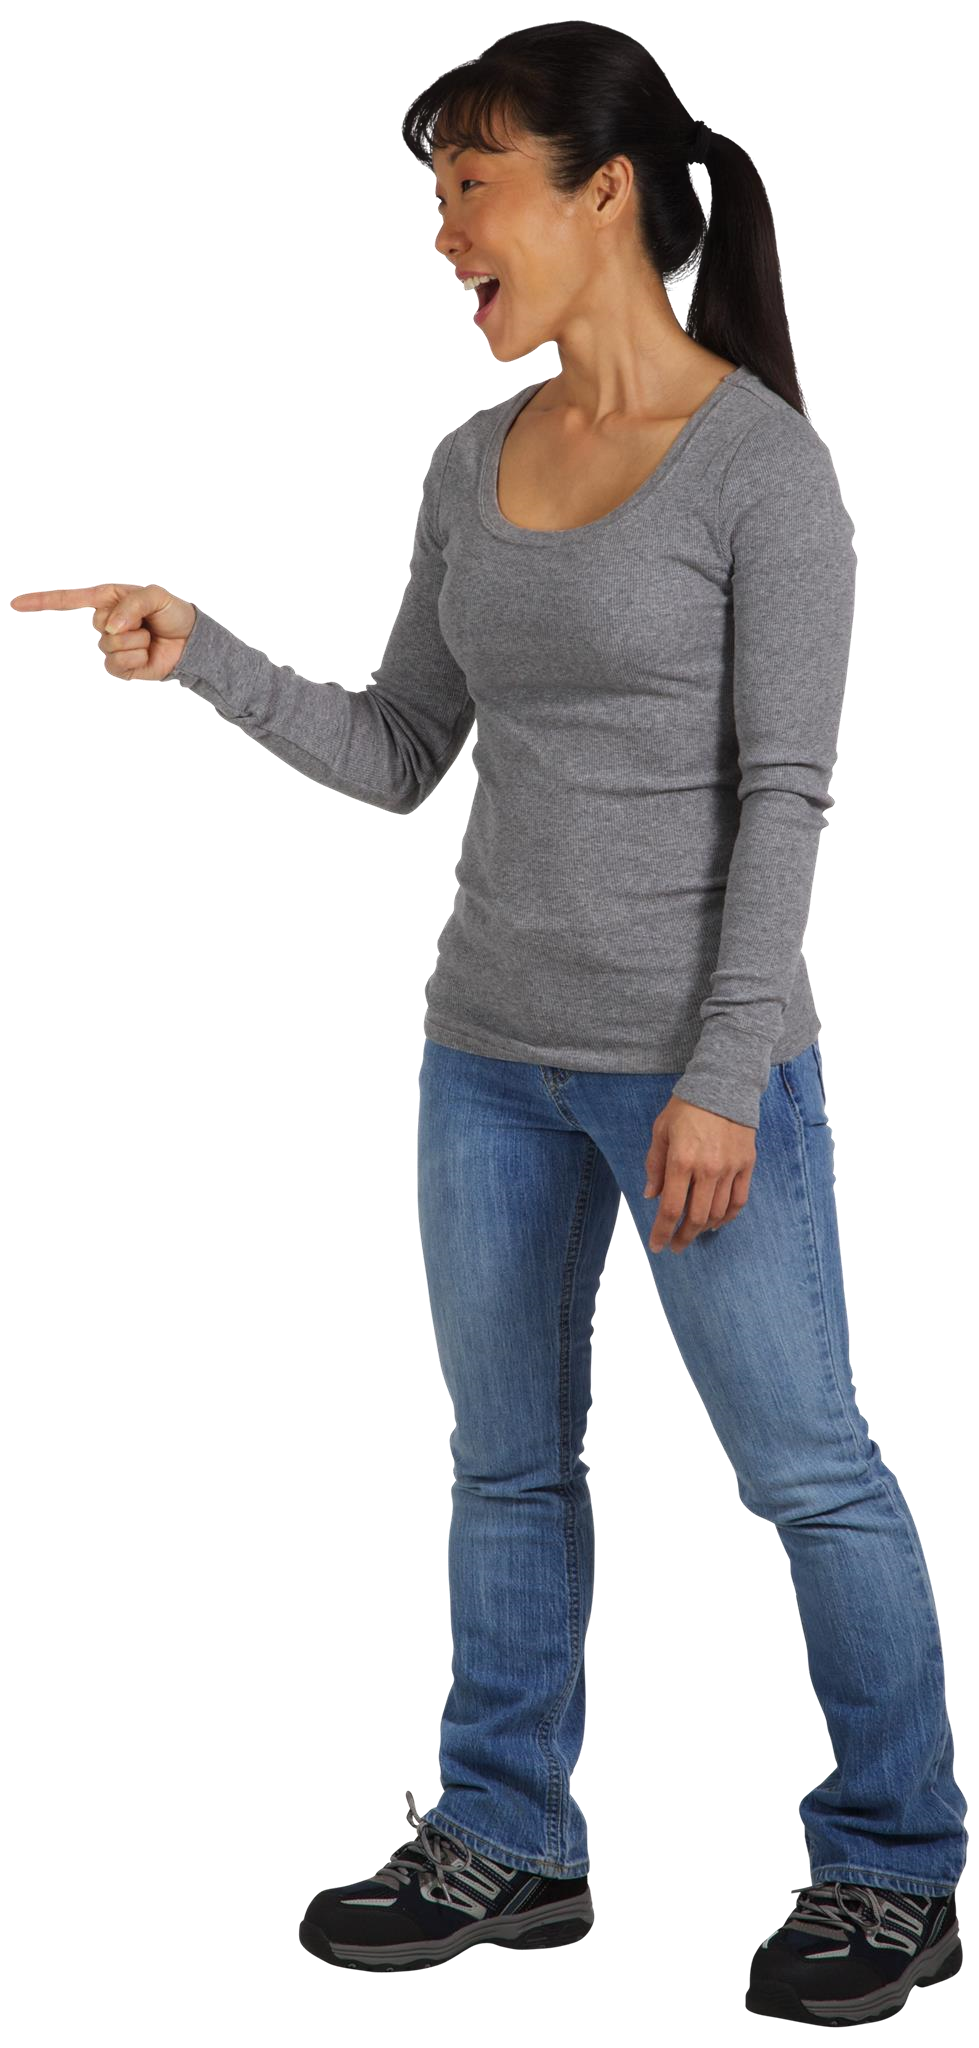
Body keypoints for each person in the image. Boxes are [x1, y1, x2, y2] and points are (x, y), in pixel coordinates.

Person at [12, 23, 967, 2014]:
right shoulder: (469, 460)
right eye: (433, 193)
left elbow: (790, 794)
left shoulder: (765, 473)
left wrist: (725, 1077)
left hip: (699, 1071)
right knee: (506, 1464)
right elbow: (398, 749)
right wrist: (201, 655)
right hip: (487, 1060)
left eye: (471, 185)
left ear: (602, 191)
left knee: (805, 1472)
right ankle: (509, 1834)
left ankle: (895, 1863)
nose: (442, 229)